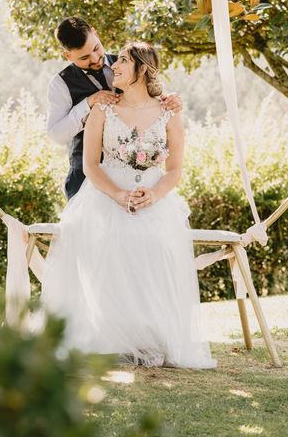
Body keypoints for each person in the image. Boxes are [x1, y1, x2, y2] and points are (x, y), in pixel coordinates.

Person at [41, 41, 217, 369]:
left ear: (142, 69)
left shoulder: (168, 111)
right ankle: (110, 338)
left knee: (156, 246)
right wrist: (118, 195)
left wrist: (155, 194)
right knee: (106, 243)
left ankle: (151, 336)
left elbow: (175, 169)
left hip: (153, 196)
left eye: (122, 61)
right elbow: (91, 165)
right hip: (105, 193)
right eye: (117, 59)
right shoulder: (103, 109)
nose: (113, 66)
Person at [47, 17, 183, 199]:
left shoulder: (123, 64)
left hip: (141, 180)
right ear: (68, 56)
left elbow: (148, 98)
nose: (95, 59)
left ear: (95, 33)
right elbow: (56, 134)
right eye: (84, 57)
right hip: (84, 177)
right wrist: (89, 103)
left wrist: (170, 99)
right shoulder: (60, 84)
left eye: (96, 48)